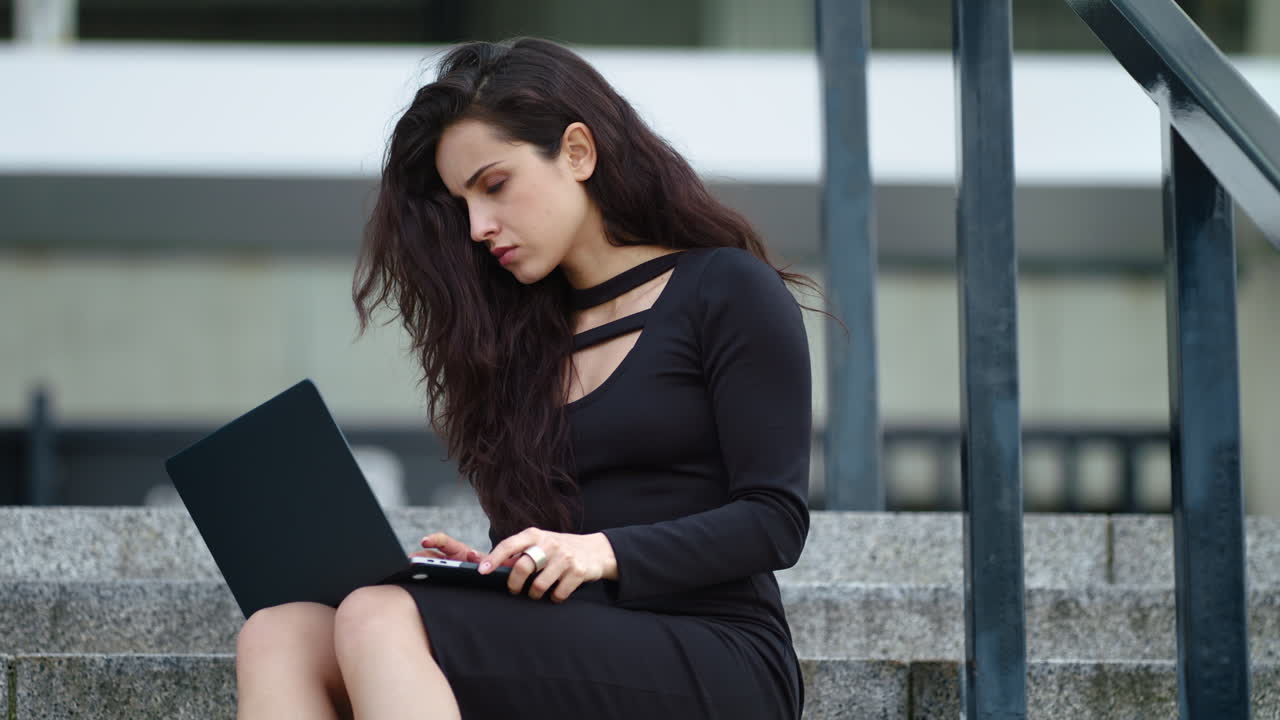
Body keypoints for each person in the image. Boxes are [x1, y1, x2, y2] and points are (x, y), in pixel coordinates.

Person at [234, 37, 820, 720]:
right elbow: (555, 559)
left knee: (376, 614)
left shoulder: (726, 290)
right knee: (278, 633)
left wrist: (598, 553)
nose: (479, 227)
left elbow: (775, 522)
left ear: (577, 151)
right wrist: (491, 569)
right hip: (577, 638)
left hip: (718, 650)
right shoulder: (517, 341)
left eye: (494, 185)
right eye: (464, 206)